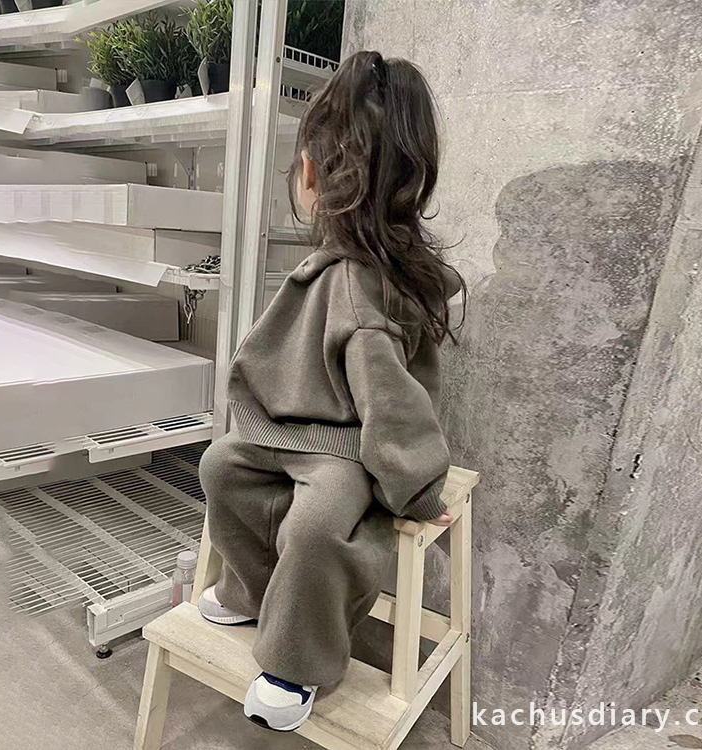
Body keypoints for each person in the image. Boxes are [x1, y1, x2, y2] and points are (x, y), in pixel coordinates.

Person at [197, 49, 467, 733]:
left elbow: (393, 404)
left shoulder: (358, 288)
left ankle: (297, 661)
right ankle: (257, 594)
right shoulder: (338, 268)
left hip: (350, 445)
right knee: (221, 466)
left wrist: (415, 487)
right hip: (292, 429)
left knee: (318, 526)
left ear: (312, 175)